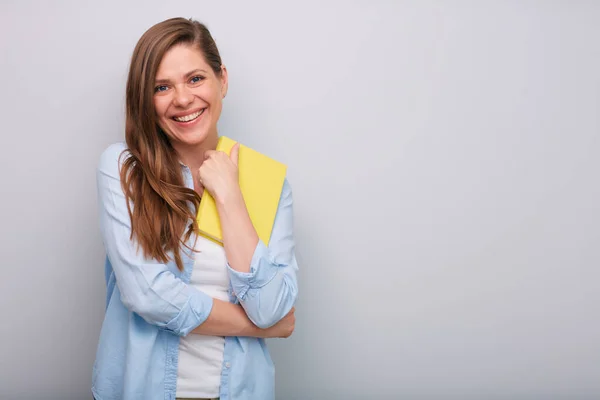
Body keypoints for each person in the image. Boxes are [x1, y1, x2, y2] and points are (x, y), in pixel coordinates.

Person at [91, 17, 299, 400]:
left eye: (195, 79)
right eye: (162, 87)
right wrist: (257, 328)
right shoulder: (124, 168)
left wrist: (230, 197)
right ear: (145, 98)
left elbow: (271, 308)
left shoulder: (269, 183)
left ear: (222, 79)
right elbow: (147, 295)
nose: (183, 99)